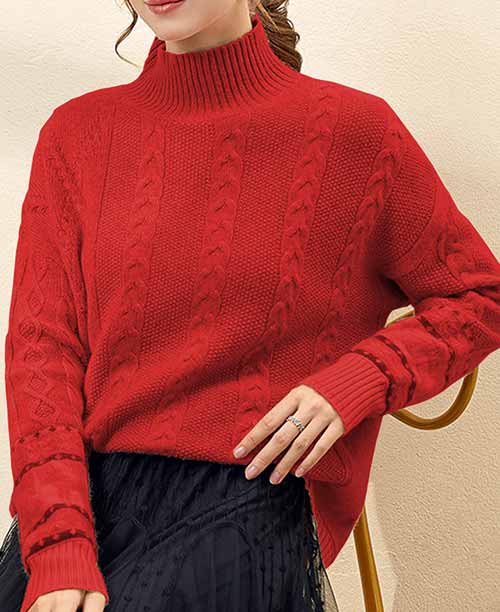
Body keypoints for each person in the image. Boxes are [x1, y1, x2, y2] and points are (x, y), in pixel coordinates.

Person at [1, 0, 500, 611]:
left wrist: (359, 379)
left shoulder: (357, 132)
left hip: (248, 494)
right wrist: (57, 543)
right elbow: (41, 350)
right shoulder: (76, 134)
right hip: (88, 497)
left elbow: (479, 294)